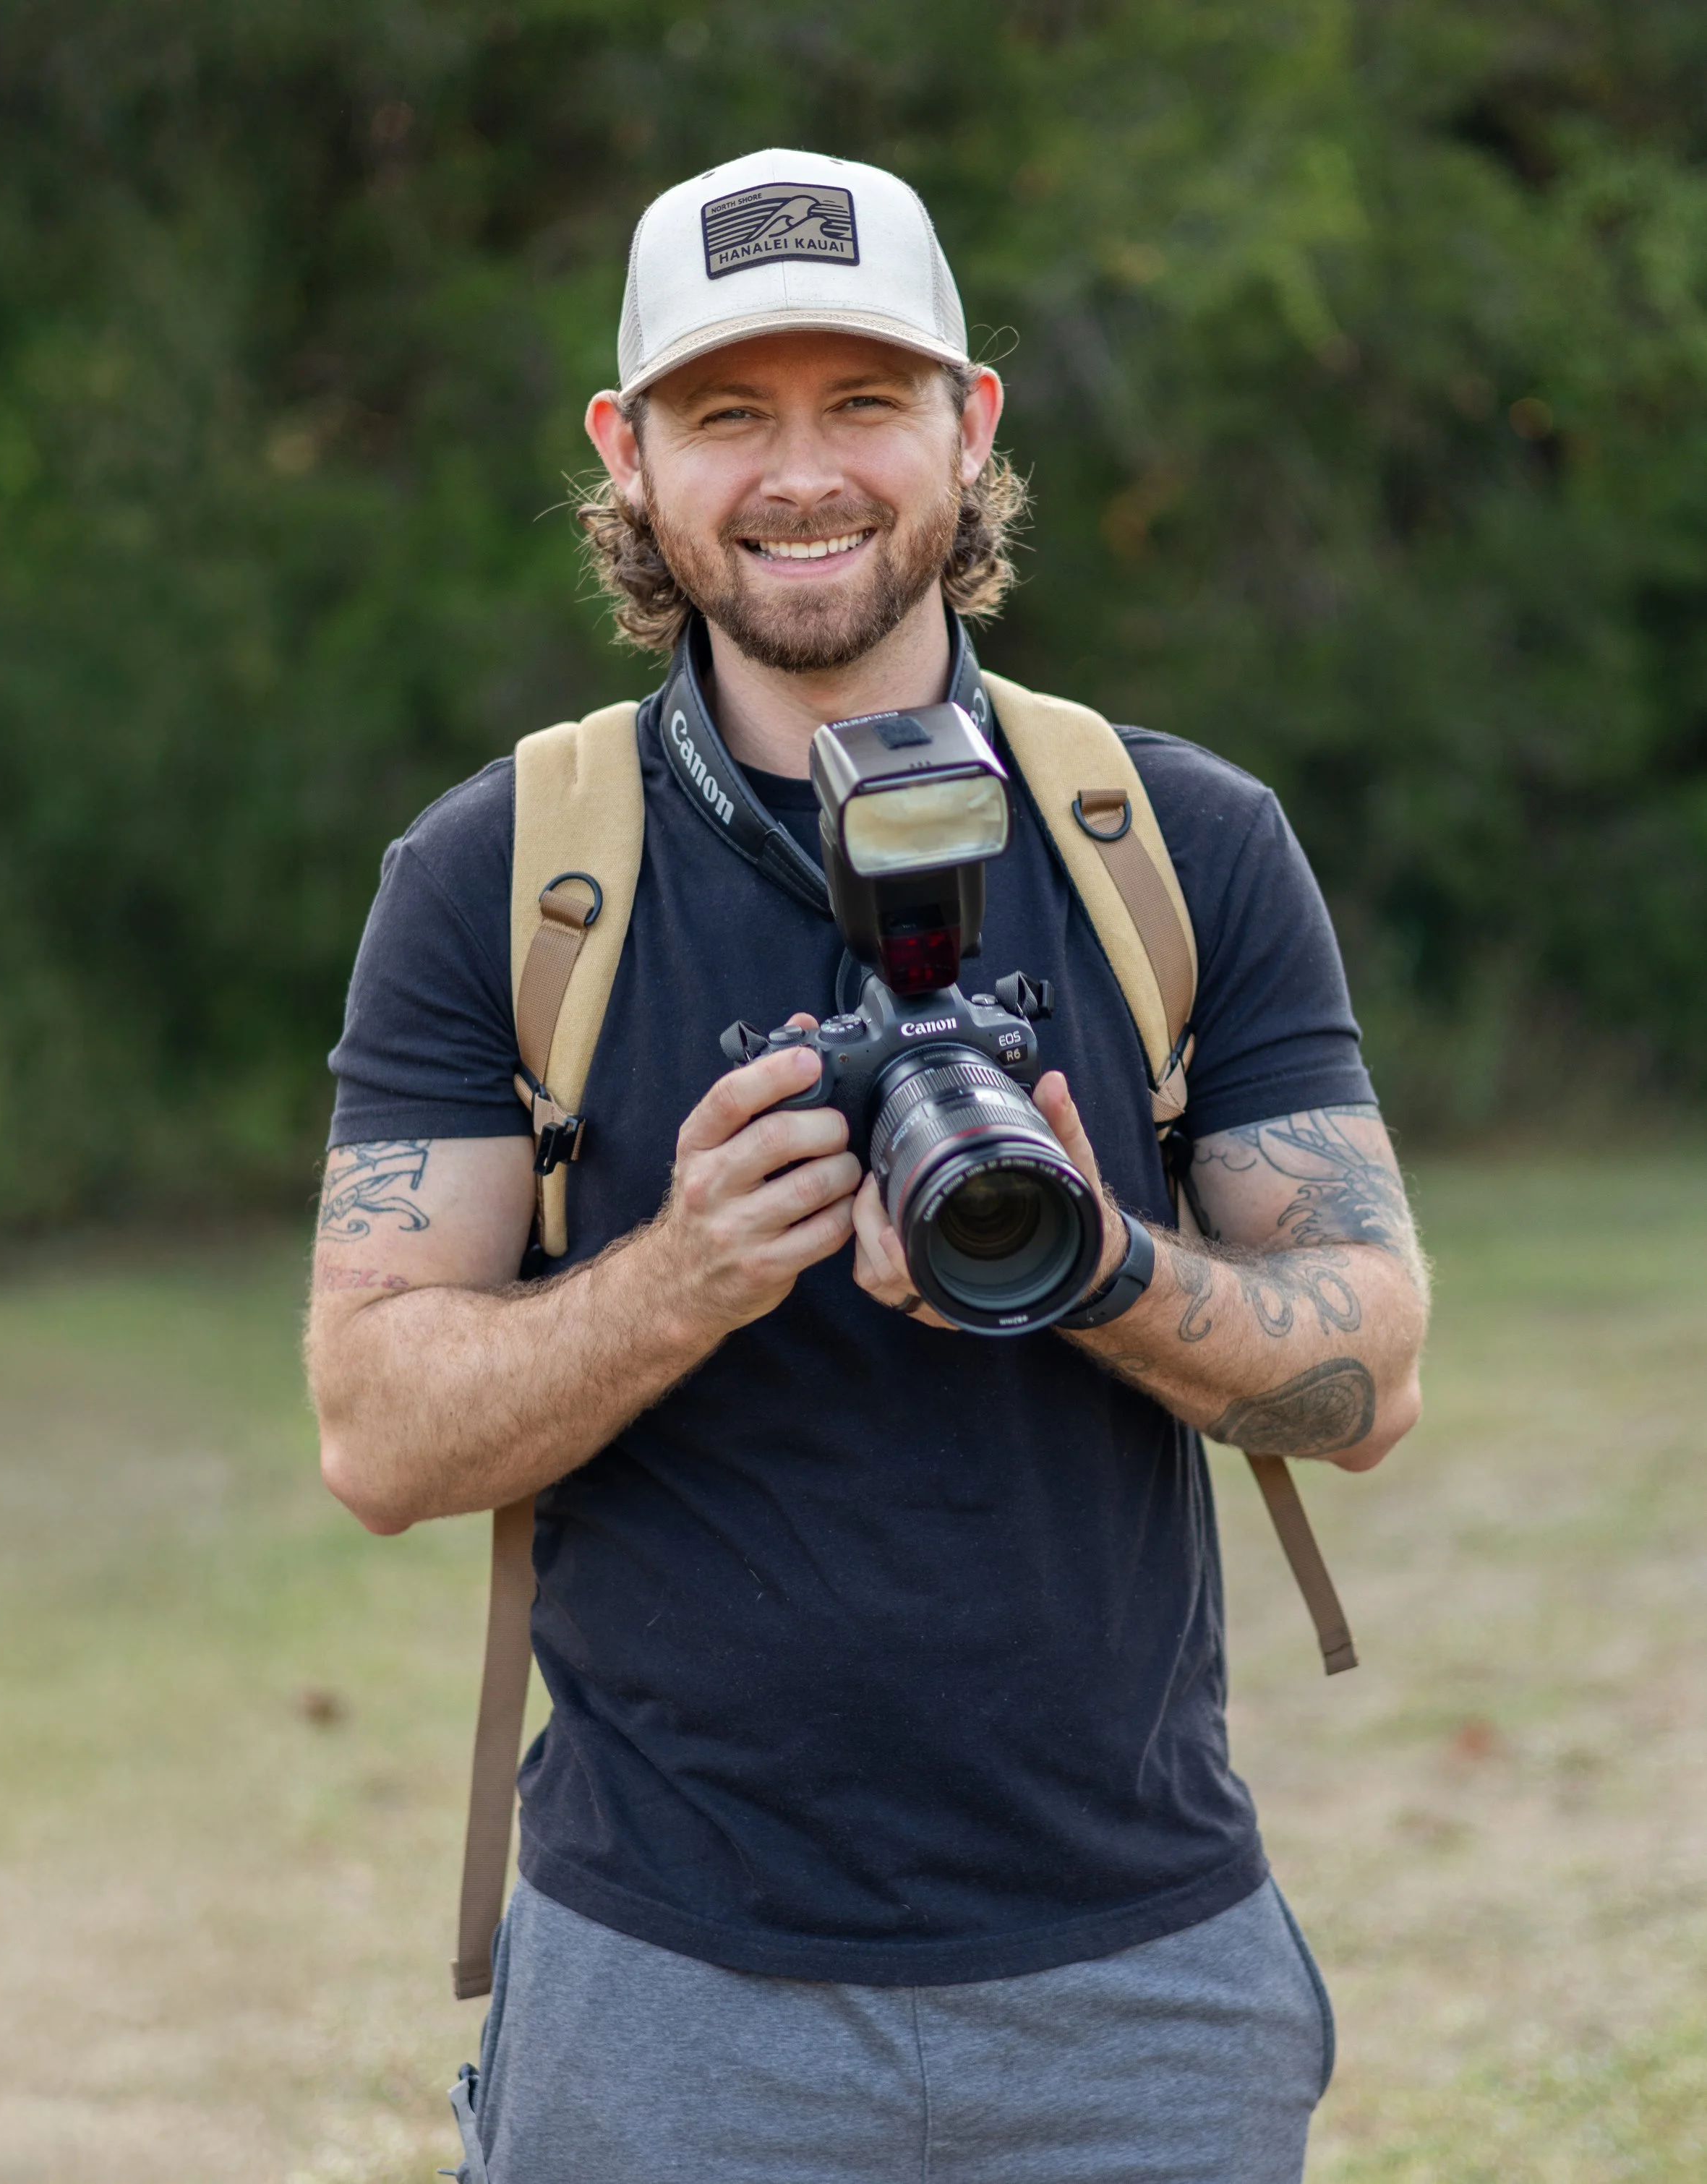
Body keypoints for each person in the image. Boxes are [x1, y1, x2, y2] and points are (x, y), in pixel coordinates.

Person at [307, 147, 1428, 2184]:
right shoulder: (503, 874)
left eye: (861, 404)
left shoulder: (1173, 841)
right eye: (727, 414)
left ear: (968, 425)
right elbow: (374, 1433)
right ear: (625, 455)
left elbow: (1367, 1368)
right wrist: (685, 1268)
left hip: (1139, 1978)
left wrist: (1100, 1267)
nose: (797, 472)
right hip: (666, 1986)